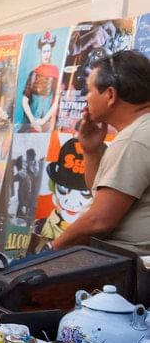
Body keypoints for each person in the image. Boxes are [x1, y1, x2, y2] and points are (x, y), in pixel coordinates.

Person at [51, 50, 150, 254]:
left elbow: (99, 221)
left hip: (128, 268)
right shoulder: (140, 131)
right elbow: (103, 198)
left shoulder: (134, 139)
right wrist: (90, 150)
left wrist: (49, 251)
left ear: (111, 95)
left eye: (89, 90)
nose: (86, 98)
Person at [18, 32, 60, 132]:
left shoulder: (56, 72)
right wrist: (32, 120)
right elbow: (24, 101)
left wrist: (43, 121)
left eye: (48, 51)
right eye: (44, 51)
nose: (46, 55)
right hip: (30, 122)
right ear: (40, 52)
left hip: (46, 124)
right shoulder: (33, 73)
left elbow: (56, 101)